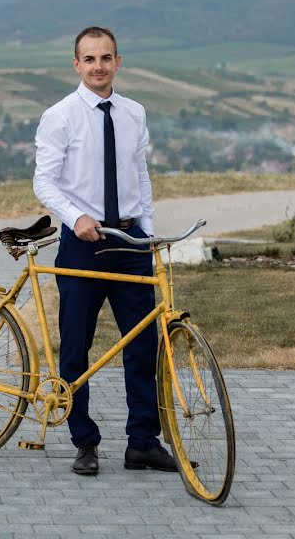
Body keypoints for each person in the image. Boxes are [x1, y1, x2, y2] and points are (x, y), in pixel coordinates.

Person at [33, 26, 180, 475]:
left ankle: (142, 442)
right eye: (89, 59)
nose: (98, 66)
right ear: (76, 65)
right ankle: (85, 442)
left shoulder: (134, 113)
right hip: (82, 245)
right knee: (75, 347)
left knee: (142, 345)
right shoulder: (59, 116)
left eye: (106, 58)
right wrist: (76, 217)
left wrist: (149, 233)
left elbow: (140, 177)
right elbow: (44, 181)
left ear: (118, 61)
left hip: (130, 243)